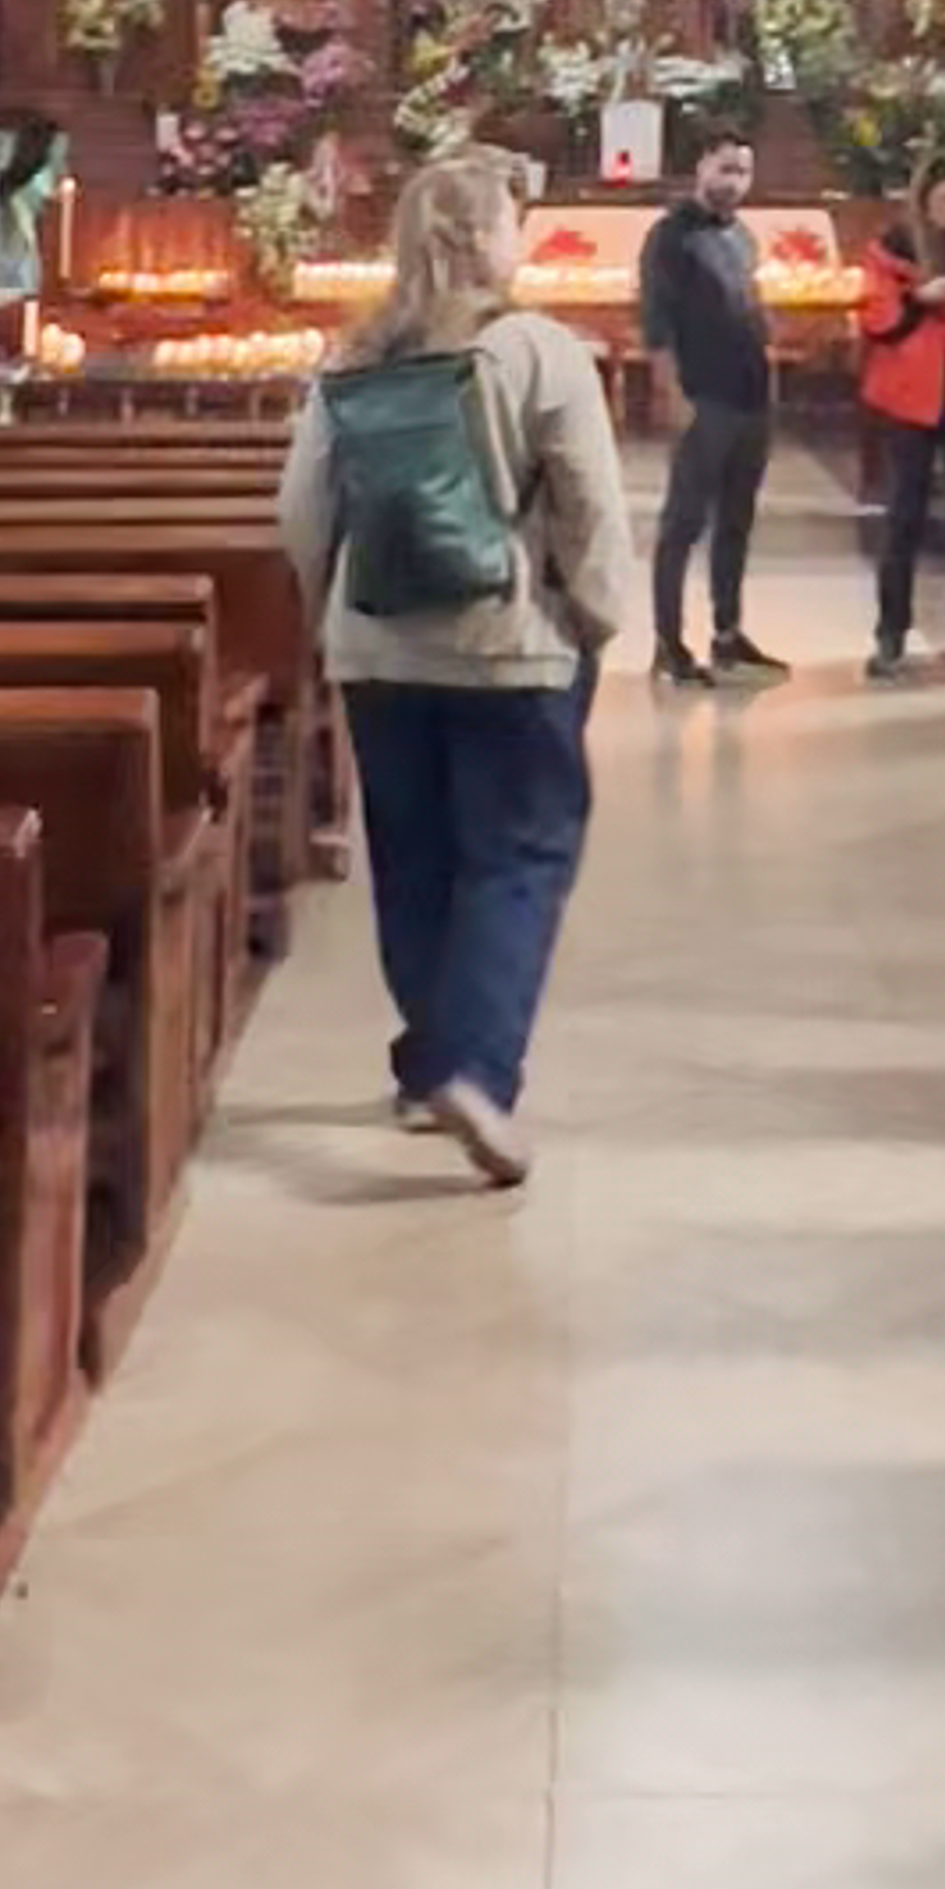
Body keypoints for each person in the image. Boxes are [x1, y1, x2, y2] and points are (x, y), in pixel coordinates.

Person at [276, 145, 636, 1188]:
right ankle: (476, 1069)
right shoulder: (537, 349)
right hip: (511, 648)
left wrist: (321, 623)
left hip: (379, 647)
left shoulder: (348, 358)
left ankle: (425, 1059)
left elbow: (302, 513)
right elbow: (590, 505)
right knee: (519, 857)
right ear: (489, 238)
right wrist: (594, 619)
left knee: (416, 856)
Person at [638, 129, 785, 694]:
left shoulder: (742, 237)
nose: (733, 183)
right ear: (701, 166)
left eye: (742, 173)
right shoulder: (669, 237)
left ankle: (728, 633)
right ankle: (668, 642)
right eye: (725, 169)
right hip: (704, 395)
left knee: (737, 521)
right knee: (684, 523)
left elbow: (747, 303)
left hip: (750, 393)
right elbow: (656, 322)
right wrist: (671, 392)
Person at [856, 155, 945, 676]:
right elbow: (878, 318)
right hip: (909, 395)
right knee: (904, 518)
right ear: (922, 200)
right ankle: (891, 633)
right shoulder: (893, 246)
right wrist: (920, 297)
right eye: (943, 200)